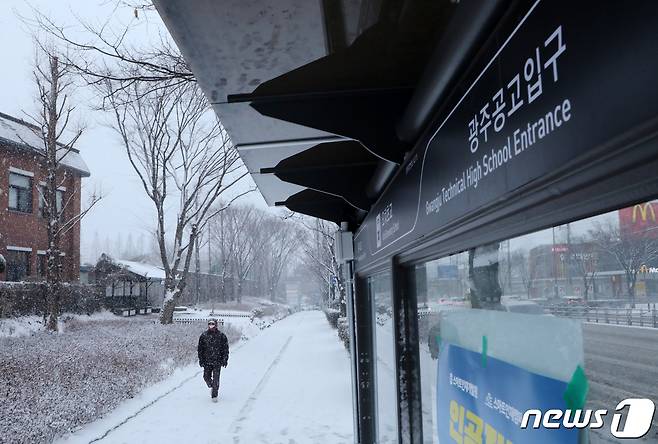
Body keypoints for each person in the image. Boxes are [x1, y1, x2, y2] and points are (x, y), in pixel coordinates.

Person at [197, 319, 229, 402]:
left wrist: (225, 359)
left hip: (217, 361)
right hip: (207, 361)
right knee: (206, 377)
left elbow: (225, 349)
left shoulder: (222, 336)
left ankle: (214, 395)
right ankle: (211, 386)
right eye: (210, 324)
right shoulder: (204, 335)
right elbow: (200, 349)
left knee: (216, 379)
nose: (211, 325)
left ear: (216, 325)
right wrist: (201, 360)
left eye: (213, 324)